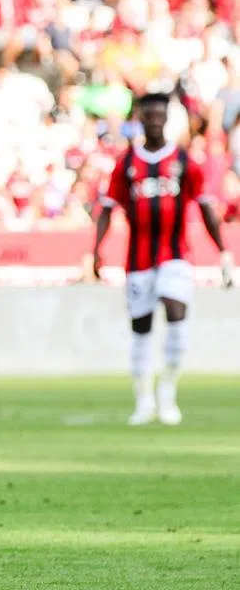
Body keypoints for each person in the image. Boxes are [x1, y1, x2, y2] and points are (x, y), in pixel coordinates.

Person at [93, 92, 233, 426]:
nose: (154, 121)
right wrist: (96, 249)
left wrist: (223, 252)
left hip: (175, 255)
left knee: (176, 314)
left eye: (159, 116)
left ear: (167, 120)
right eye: (148, 116)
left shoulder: (183, 161)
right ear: (139, 119)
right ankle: (144, 399)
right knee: (141, 329)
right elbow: (107, 210)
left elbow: (205, 208)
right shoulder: (126, 163)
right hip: (138, 260)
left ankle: (167, 393)